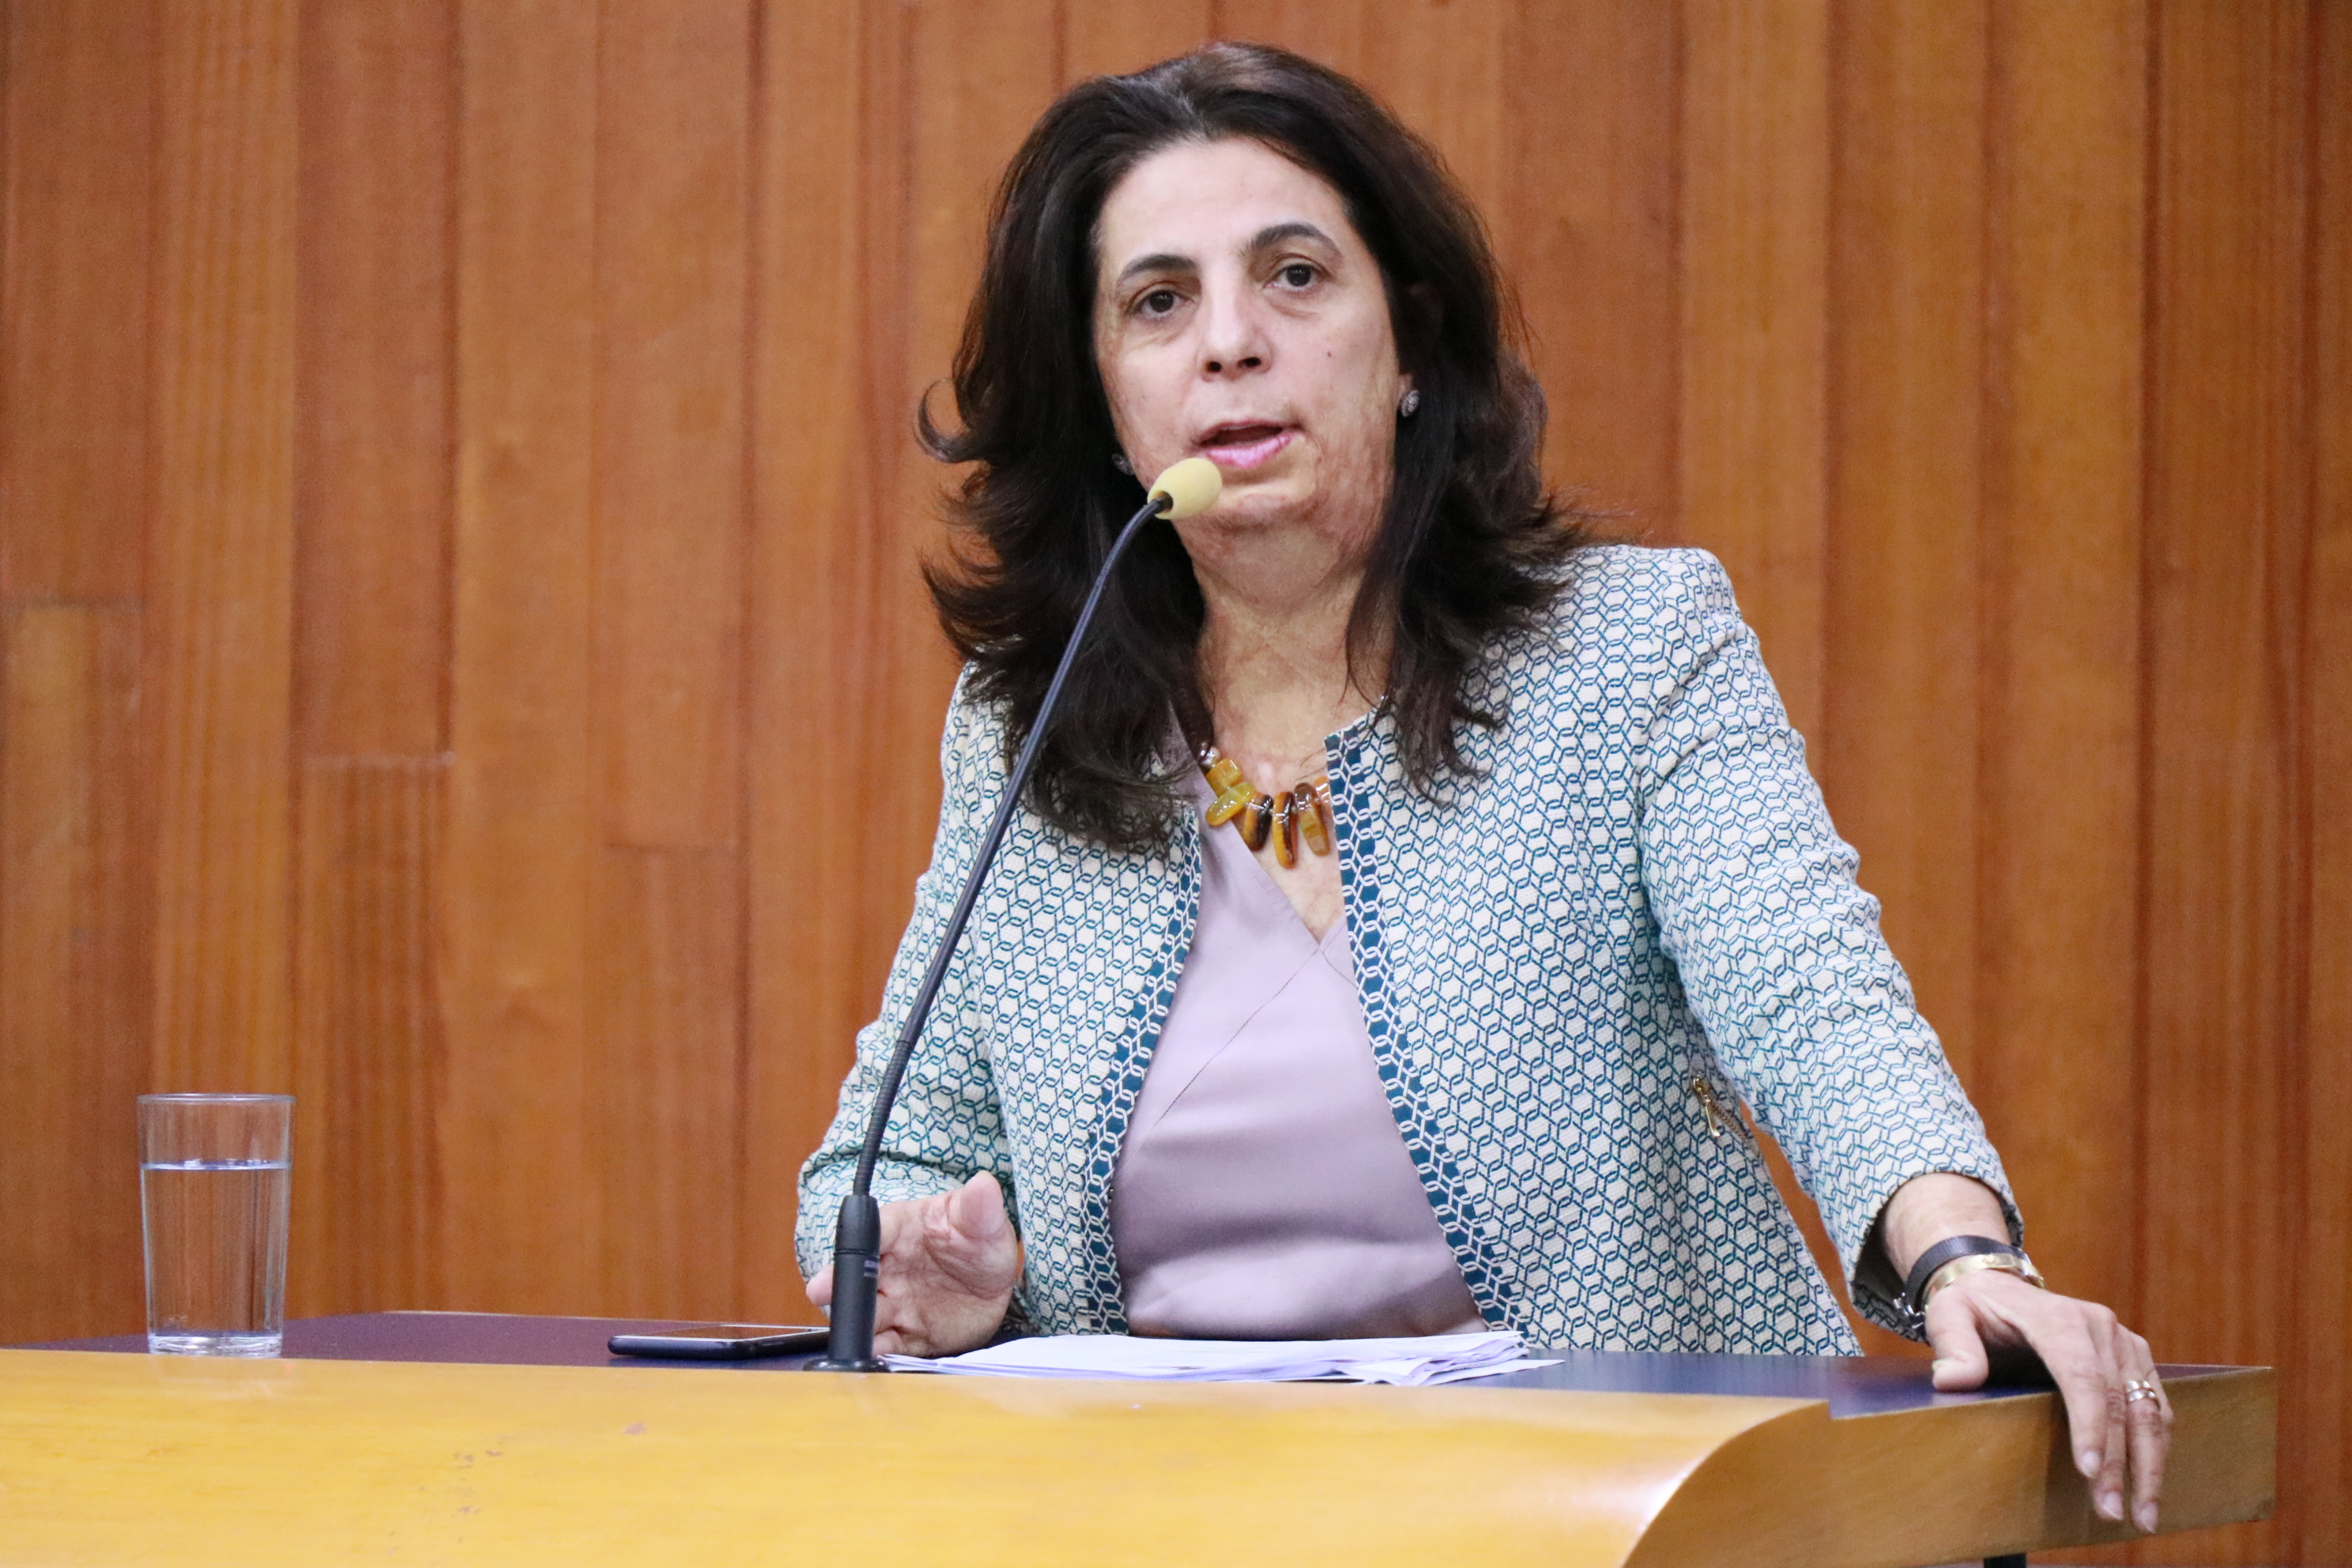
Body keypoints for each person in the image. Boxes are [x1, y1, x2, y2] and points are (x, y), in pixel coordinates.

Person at [800, 41, 2170, 1532]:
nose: (1231, 344)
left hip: (1614, 1521)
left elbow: (1816, 1007)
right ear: (1109, 413)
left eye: (1296, 277)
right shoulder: (1038, 729)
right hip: (1160, 1523)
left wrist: (1965, 1253)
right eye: (1159, 303)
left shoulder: (1627, 652)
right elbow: (880, 1162)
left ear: (1411, 350)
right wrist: (928, 1278)